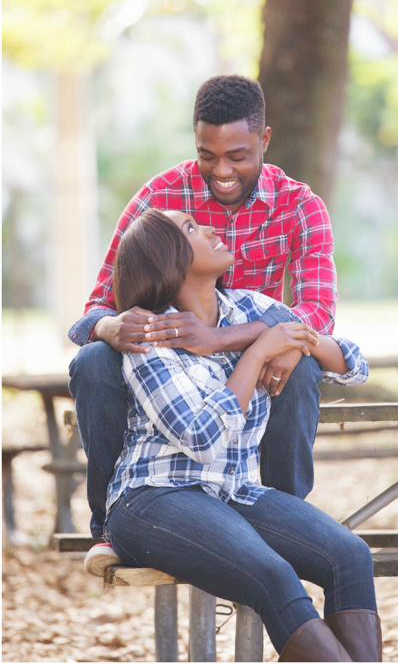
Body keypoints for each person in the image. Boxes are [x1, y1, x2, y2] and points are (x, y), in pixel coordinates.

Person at [68, 75, 335, 575]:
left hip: (252, 358)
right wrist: (110, 329)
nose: (222, 171)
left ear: (265, 140)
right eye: (207, 155)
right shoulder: (161, 197)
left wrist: (227, 339)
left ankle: (286, 518)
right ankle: (108, 526)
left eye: (237, 154)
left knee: (297, 365)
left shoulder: (300, 206)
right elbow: (94, 310)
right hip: (168, 367)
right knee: (93, 361)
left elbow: (316, 313)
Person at [100, 207, 378, 662]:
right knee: (273, 574)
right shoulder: (150, 334)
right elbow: (202, 438)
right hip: (154, 498)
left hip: (234, 492)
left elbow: (353, 363)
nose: (210, 228)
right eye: (191, 229)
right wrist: (259, 352)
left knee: (350, 556)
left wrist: (293, 340)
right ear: (168, 260)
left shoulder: (251, 308)